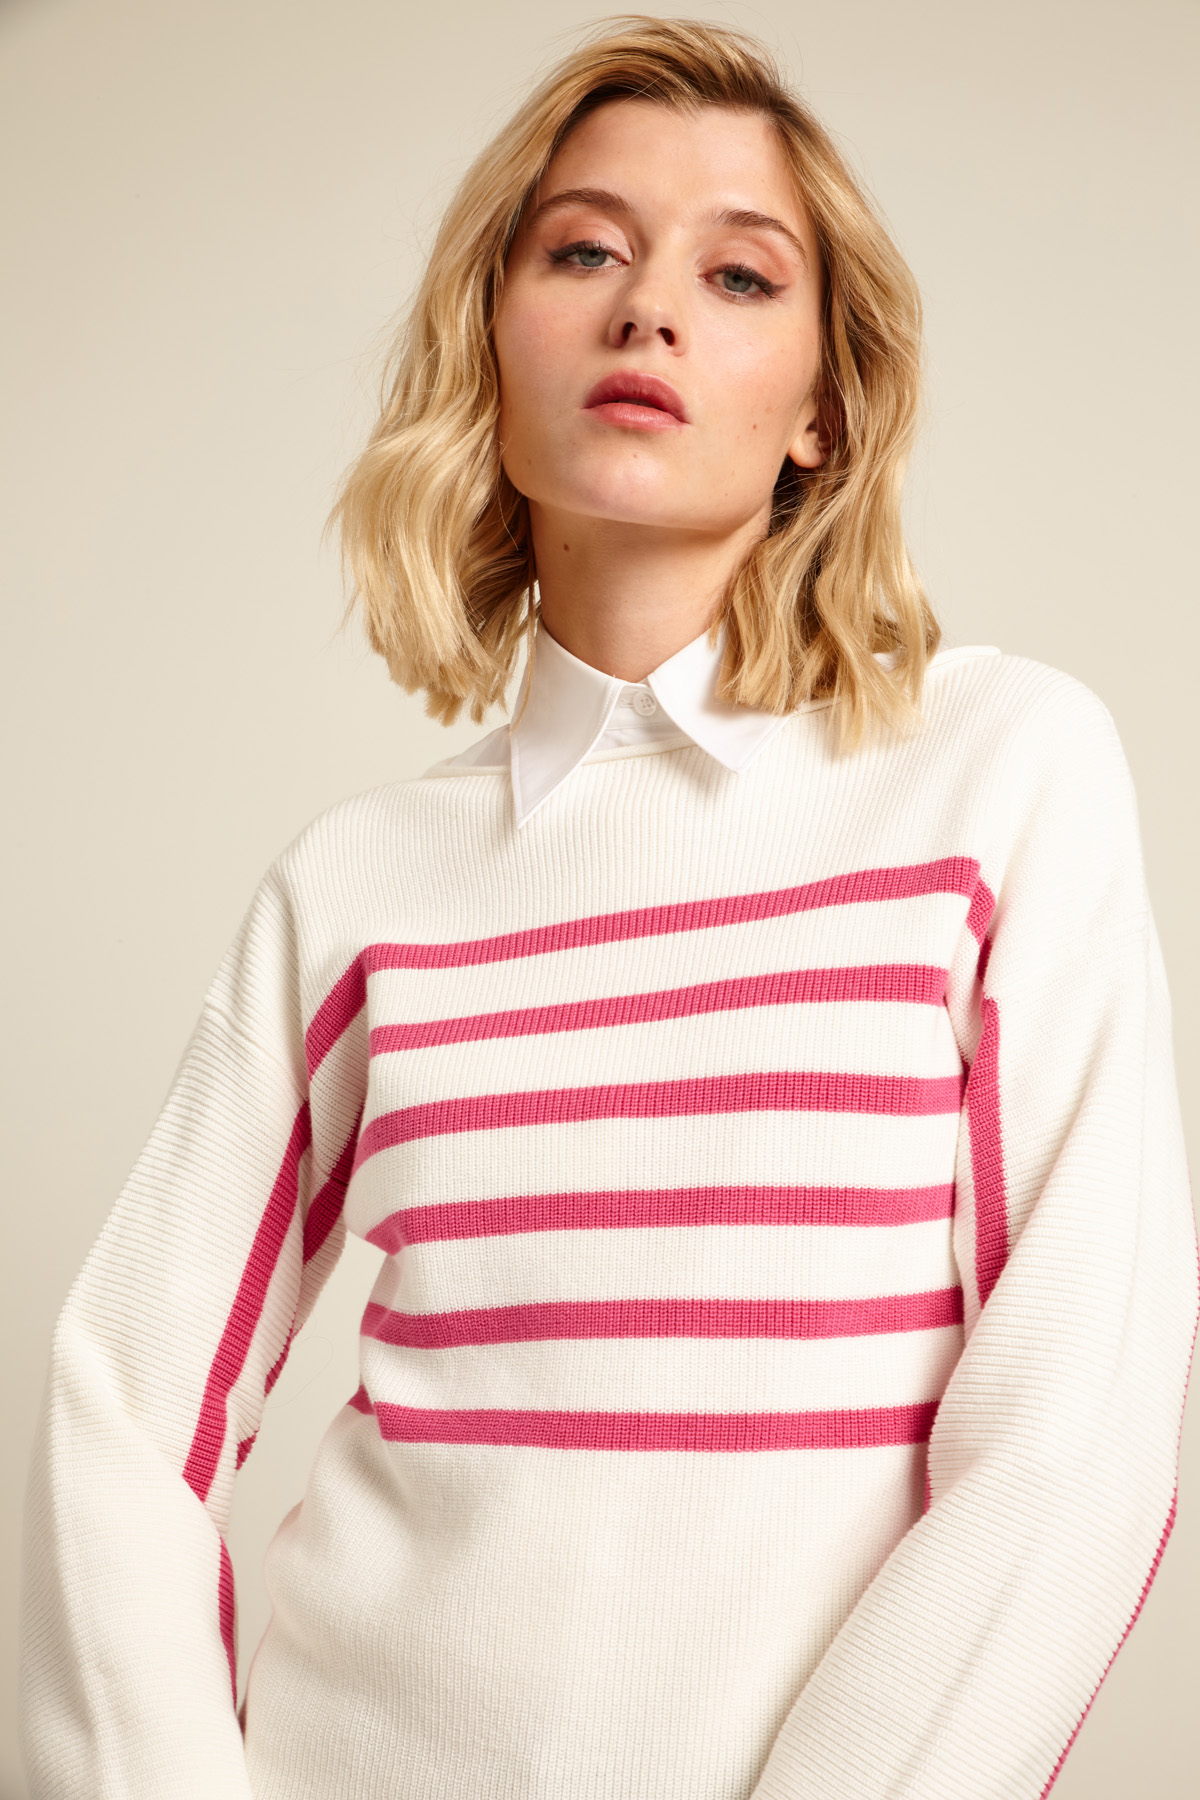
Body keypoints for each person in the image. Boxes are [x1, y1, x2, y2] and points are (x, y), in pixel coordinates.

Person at [19, 15, 1197, 1800]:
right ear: (491, 347)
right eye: (583, 252)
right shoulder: (357, 886)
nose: (649, 310)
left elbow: (1077, 1423)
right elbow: (119, 1407)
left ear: (823, 406)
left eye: (740, 275)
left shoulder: (1003, 774)